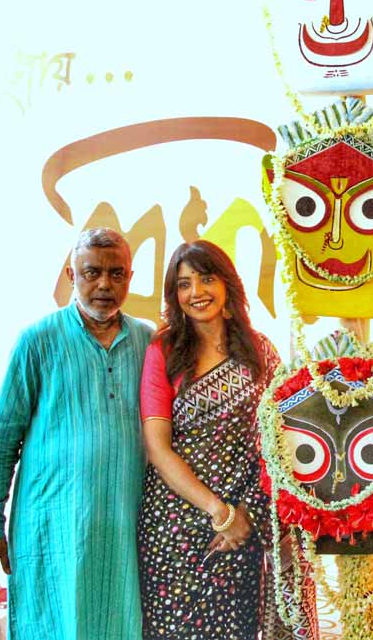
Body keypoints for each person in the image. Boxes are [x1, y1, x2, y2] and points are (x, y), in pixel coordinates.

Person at [0, 228, 153, 639]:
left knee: (121, 624)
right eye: (92, 273)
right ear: (72, 276)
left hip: (124, 525)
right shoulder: (37, 341)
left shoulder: (148, 341)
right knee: (53, 625)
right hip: (52, 525)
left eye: (116, 273)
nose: (104, 284)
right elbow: (1, 443)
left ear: (130, 277)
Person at [137, 240, 316, 640]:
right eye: (184, 285)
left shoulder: (259, 351)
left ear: (227, 284)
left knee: (239, 626)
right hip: (175, 526)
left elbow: (282, 441)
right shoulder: (163, 351)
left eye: (206, 279)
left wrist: (245, 514)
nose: (196, 292)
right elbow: (157, 447)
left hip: (246, 522)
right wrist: (220, 512)